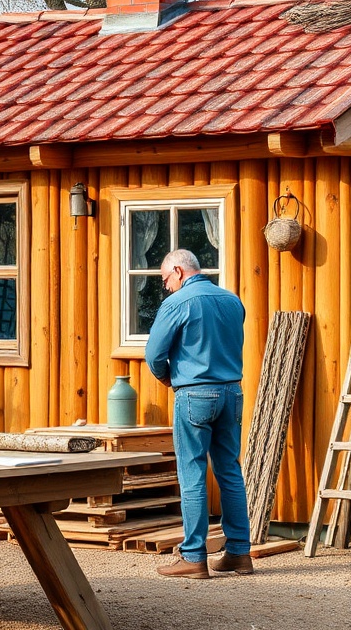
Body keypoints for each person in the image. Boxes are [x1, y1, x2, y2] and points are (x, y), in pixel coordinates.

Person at [144, 248, 253, 579]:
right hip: (232, 391)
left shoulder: (177, 303)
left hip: (194, 394)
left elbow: (154, 355)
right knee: (230, 471)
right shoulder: (233, 301)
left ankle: (193, 557)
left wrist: (169, 379)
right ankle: (239, 553)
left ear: (178, 271)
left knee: (192, 472)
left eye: (165, 279)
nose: (165, 286)